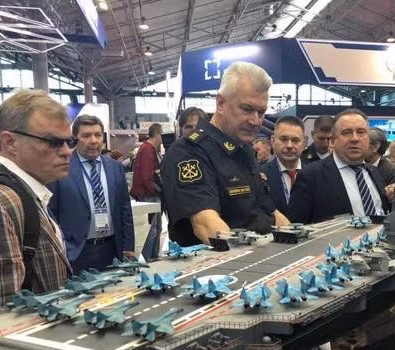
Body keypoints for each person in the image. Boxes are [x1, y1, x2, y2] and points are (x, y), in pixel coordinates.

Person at [0, 90, 88, 350]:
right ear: (10, 142)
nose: (67, 151)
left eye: (69, 141)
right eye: (52, 142)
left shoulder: (26, 195)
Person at [161, 61, 290, 245]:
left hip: (264, 250)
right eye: (247, 109)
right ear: (220, 103)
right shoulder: (188, 152)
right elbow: (206, 225)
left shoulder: (244, 150)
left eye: (261, 112)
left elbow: (272, 213)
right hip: (228, 259)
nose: (255, 121)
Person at [48, 115, 135, 273]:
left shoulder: (115, 167)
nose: (93, 141)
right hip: (77, 252)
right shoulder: (61, 167)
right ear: (74, 139)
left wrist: (128, 246)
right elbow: (51, 213)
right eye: (86, 135)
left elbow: (125, 208)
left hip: (112, 249)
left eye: (98, 135)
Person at [288, 109, 389, 224]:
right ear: (333, 141)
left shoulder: (375, 172)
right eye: (347, 132)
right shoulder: (310, 176)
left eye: (361, 132)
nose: (355, 138)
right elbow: (296, 226)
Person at [130, 123, 163, 260]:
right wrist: (156, 190)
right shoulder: (147, 149)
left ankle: (153, 256)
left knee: (156, 227)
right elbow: (146, 176)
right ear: (158, 134)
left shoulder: (149, 149)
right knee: (151, 229)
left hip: (150, 194)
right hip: (149, 195)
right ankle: (148, 258)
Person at [260, 116, 304, 216]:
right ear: (272, 141)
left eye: (295, 140)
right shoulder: (259, 176)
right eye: (284, 139)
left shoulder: (316, 174)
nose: (289, 146)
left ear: (303, 143)